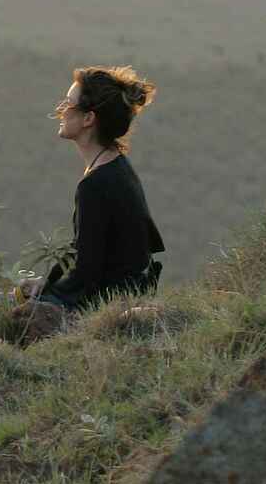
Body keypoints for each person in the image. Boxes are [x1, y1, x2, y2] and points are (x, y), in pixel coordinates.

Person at [22, 65, 165, 311]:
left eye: (68, 104)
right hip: (123, 293)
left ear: (89, 119)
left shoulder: (95, 185)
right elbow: (86, 249)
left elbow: (85, 273)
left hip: (104, 304)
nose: (60, 111)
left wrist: (44, 297)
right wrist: (48, 282)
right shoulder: (118, 167)